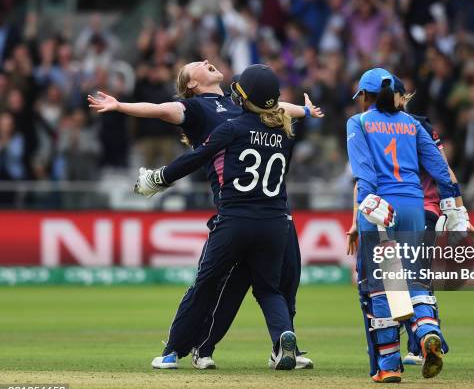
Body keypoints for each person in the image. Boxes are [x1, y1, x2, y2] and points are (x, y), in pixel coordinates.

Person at [89, 59, 322, 370]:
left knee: (247, 283)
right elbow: (159, 110)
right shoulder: (197, 108)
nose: (207, 61)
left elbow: (276, 106)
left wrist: (160, 178)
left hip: (242, 215)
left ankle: (195, 350)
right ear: (191, 85)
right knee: (261, 286)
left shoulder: (237, 109)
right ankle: (240, 344)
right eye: (196, 65)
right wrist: (120, 106)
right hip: (270, 213)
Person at [346, 68, 466, 383]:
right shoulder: (412, 124)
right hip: (414, 208)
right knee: (414, 283)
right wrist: (454, 208)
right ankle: (427, 331)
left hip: (380, 209)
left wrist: (369, 204)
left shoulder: (357, 123)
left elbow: (364, 173)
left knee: (381, 288)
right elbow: (440, 170)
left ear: (364, 97)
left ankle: (388, 365)